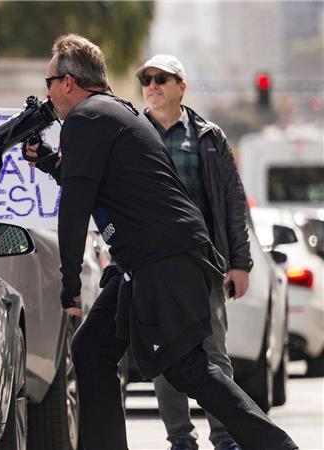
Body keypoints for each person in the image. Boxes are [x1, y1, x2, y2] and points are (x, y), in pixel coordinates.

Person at [23, 34, 296, 450]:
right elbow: (95, 181)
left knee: (190, 367)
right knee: (92, 351)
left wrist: (69, 285)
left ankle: (277, 446)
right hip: (145, 261)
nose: (47, 93)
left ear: (69, 83)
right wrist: (46, 160)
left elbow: (75, 209)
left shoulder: (86, 119)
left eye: (49, 82)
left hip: (161, 261)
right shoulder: (113, 114)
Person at [137, 54, 251, 450]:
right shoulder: (133, 134)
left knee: (214, 356)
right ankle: (181, 441)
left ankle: (224, 437)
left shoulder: (209, 137)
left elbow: (232, 202)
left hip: (205, 266)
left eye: (161, 79)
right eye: (146, 80)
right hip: (154, 269)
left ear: (181, 87)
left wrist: (240, 263)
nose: (151, 86)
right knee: (164, 359)